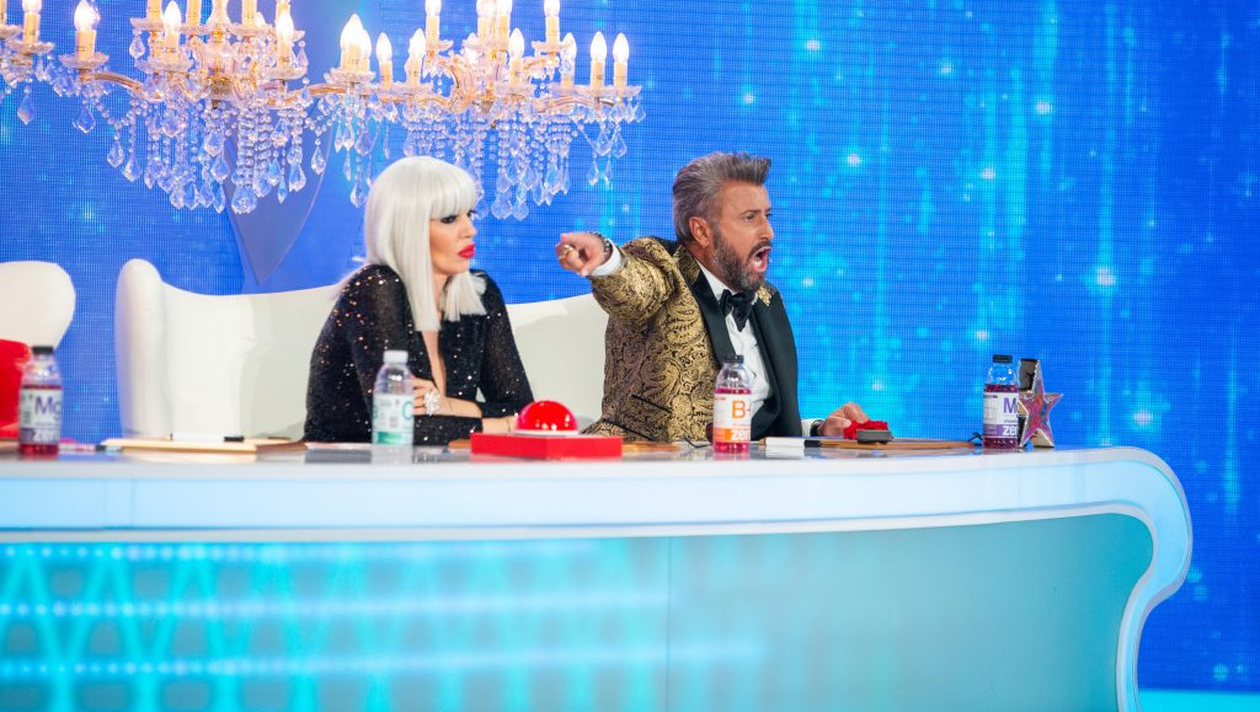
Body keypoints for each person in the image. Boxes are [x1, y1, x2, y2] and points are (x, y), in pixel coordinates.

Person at [556, 151, 867, 442]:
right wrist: (604, 258)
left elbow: (750, 424)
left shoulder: (767, 300)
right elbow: (635, 285)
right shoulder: (664, 267)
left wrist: (818, 429)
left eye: (767, 216)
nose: (768, 232)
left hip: (739, 474)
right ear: (702, 231)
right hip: (647, 468)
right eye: (750, 218)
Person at [305, 157, 533, 444]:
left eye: (469, 215)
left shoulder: (481, 293)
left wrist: (444, 405)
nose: (470, 230)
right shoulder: (375, 288)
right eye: (449, 219)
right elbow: (401, 430)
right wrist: (504, 425)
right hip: (348, 466)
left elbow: (524, 410)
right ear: (407, 228)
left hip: (441, 467)